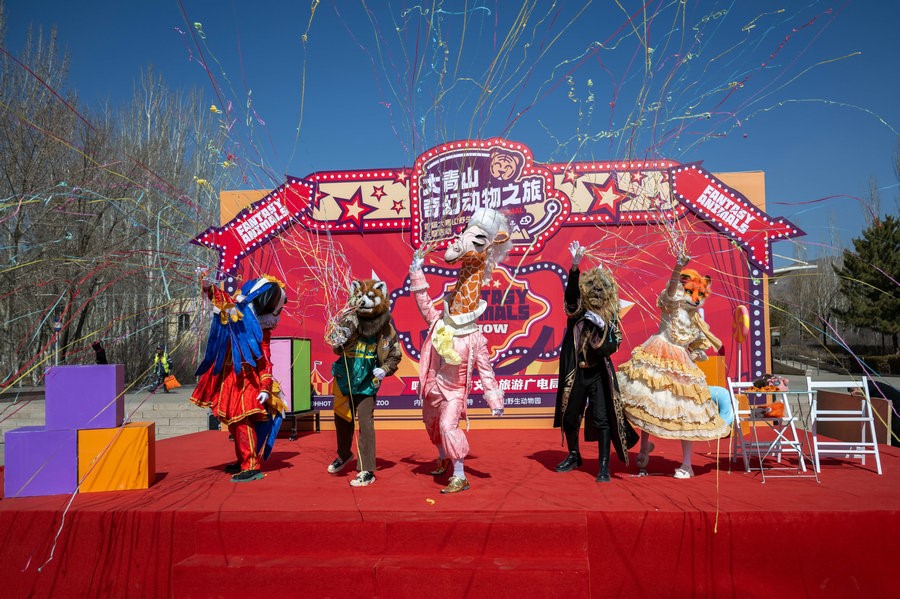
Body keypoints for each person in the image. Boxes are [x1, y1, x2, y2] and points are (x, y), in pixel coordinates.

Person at [409, 208, 509, 493]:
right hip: (434, 386)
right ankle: (442, 457)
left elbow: (486, 370)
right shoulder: (441, 322)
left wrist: (494, 399)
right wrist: (416, 271)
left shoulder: (475, 337)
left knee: (448, 426)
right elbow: (424, 304)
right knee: (432, 425)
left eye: (477, 241)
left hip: (454, 392)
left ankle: (460, 474)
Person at [618, 253, 730, 478]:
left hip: (681, 365)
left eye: (700, 295)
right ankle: (644, 447)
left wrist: (695, 353)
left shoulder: (696, 321)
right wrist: (678, 267)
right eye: (690, 292)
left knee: (685, 413)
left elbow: (696, 345)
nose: (695, 298)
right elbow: (670, 291)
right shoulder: (673, 305)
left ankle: (687, 464)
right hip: (658, 354)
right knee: (648, 401)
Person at [554, 241, 639, 482]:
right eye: (592, 287)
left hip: (598, 374)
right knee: (570, 416)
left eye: (602, 288)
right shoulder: (578, 310)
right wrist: (574, 268)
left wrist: (604, 327)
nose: (597, 291)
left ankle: (603, 466)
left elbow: (613, 345)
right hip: (575, 372)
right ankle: (574, 455)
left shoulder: (611, 317)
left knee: (603, 418)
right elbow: (571, 298)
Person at [190, 275, 288, 482]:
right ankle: (243, 459)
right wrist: (209, 288)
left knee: (243, 421)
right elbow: (224, 303)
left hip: (248, 381)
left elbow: (264, 361)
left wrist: (265, 387)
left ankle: (250, 465)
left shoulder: (263, 331)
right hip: (229, 378)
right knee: (234, 424)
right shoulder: (237, 313)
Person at [326, 278, 402, 487]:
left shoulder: (386, 329)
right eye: (360, 297)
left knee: (366, 423)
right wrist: (339, 338)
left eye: (369, 297)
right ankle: (344, 455)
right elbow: (336, 348)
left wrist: (384, 369)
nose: (363, 302)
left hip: (368, 381)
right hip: (345, 377)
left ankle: (367, 469)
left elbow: (395, 354)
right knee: (342, 419)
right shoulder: (348, 321)